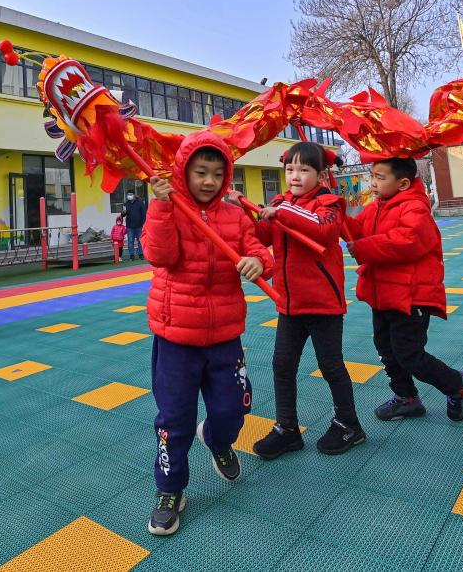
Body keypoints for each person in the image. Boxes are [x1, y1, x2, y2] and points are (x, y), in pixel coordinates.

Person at [141, 131, 273, 536]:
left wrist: (258, 262)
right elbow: (159, 255)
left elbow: (259, 250)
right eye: (201, 172)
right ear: (184, 171)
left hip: (224, 336)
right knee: (174, 420)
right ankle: (169, 489)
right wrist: (161, 207)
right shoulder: (168, 207)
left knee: (233, 410)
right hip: (175, 337)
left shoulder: (234, 215)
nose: (209, 181)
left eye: (217, 173)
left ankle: (217, 440)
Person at [248, 142, 365, 459]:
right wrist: (240, 212)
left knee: (330, 366)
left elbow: (323, 230)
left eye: (304, 169)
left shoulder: (330, 203)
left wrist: (282, 211)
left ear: (321, 174)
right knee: (282, 365)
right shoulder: (280, 202)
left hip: (323, 304)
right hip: (289, 304)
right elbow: (259, 234)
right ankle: (287, 429)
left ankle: (349, 424)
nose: (295, 176)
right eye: (290, 169)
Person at [346, 157, 463, 422]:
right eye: (372, 176)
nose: (373, 183)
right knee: (386, 350)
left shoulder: (415, 208)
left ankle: (460, 384)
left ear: (404, 183)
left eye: (380, 178)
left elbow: (406, 241)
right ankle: (406, 398)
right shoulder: (375, 208)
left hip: (410, 296)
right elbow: (355, 230)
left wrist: (364, 247)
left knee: (409, 355)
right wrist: (336, 214)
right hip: (383, 294)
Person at [122, 189, 147, 260]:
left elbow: (144, 213)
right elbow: (123, 215)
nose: (129, 196)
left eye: (130, 194)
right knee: (130, 241)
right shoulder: (126, 204)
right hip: (130, 226)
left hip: (139, 225)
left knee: (140, 241)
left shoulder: (140, 202)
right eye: (128, 195)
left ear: (134, 195)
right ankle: (131, 255)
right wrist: (123, 213)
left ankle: (141, 254)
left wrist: (143, 223)